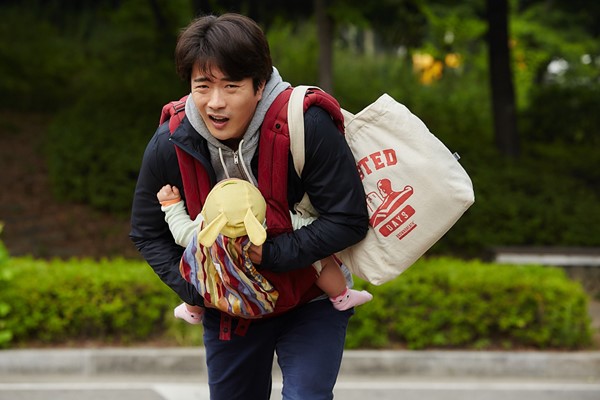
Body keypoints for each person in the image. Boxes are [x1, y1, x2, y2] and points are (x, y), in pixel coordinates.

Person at [130, 13, 369, 399]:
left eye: (231, 85)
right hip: (229, 311)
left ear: (260, 85)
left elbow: (348, 218)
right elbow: (147, 232)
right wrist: (198, 289)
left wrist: (272, 253)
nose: (215, 102)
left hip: (310, 299)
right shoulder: (171, 141)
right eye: (203, 86)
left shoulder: (307, 126)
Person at [156, 182, 373, 324]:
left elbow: (180, 232)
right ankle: (341, 296)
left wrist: (171, 204)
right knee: (320, 260)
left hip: (226, 287)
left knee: (200, 270)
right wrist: (323, 220)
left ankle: (193, 311)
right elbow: (305, 226)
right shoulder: (271, 220)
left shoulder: (203, 228)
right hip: (266, 288)